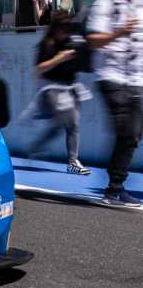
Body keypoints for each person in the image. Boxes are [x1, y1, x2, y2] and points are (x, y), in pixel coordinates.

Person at [86, 0, 143, 207]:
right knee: (127, 132)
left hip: (138, 79)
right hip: (113, 78)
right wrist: (120, 31)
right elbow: (93, 41)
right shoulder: (105, 4)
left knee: (133, 134)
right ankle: (114, 189)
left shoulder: (141, 5)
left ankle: (115, 187)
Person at [33, 12, 91, 176]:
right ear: (55, 28)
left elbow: (85, 64)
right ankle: (73, 161)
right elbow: (38, 69)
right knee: (71, 122)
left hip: (70, 85)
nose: (66, 31)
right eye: (63, 28)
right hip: (50, 87)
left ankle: (40, 144)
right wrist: (59, 58)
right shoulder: (47, 44)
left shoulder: (73, 41)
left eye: (68, 27)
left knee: (69, 125)